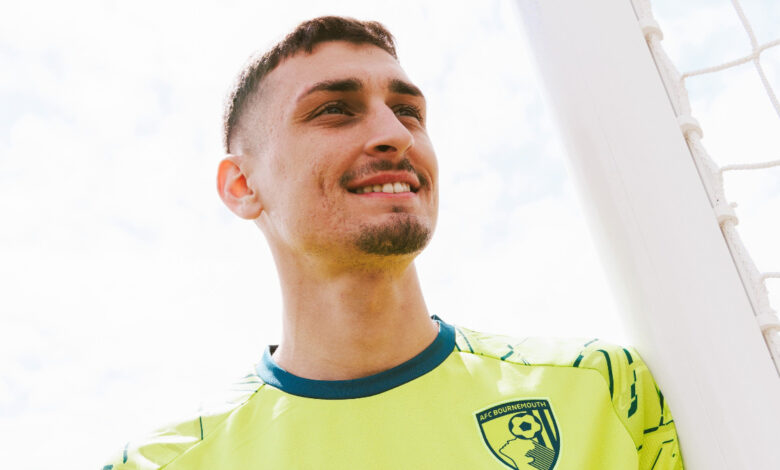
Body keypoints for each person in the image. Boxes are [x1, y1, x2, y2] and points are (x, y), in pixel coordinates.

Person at [103, 16, 683, 470]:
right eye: (335, 110)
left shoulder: (603, 390)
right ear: (242, 186)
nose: (394, 134)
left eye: (408, 111)